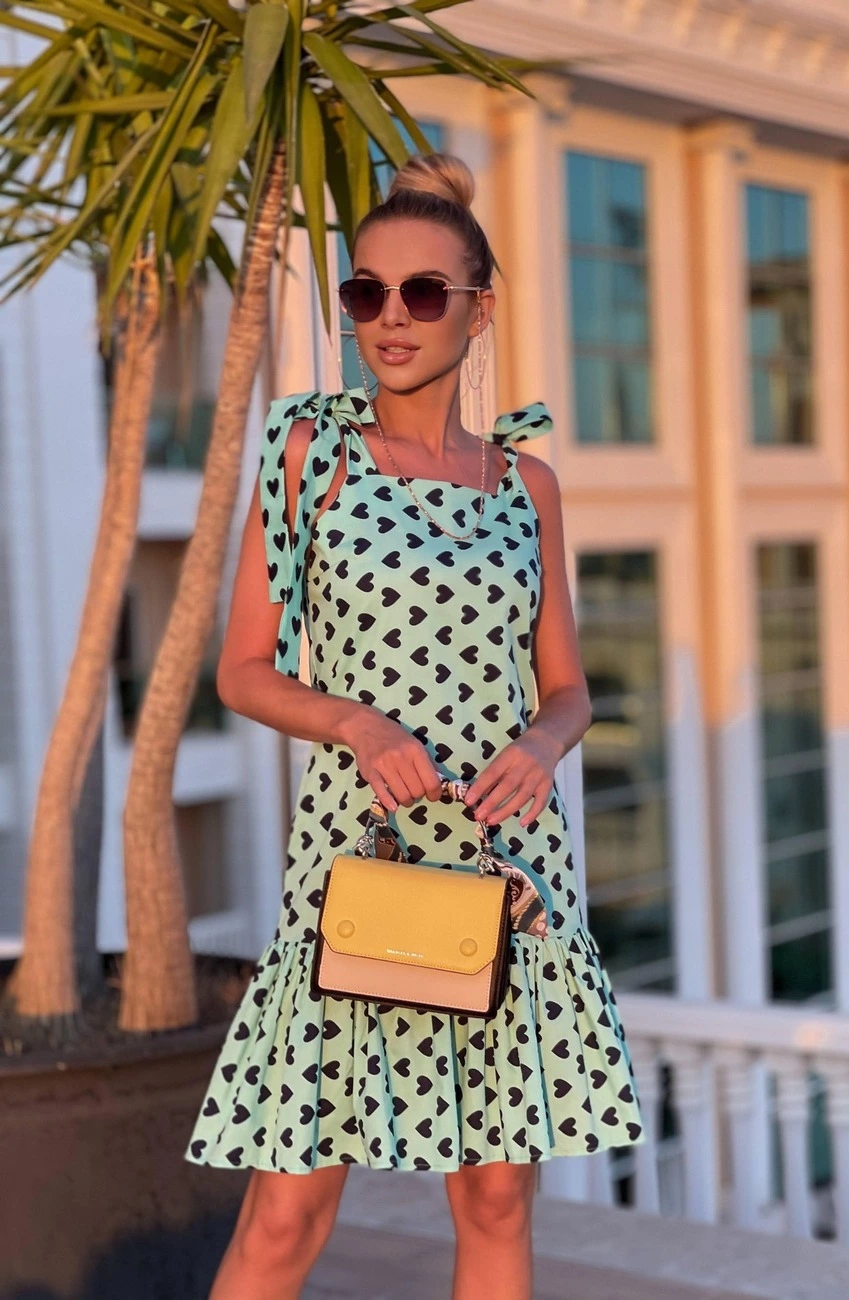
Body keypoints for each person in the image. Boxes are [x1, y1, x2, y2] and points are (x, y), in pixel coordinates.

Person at [184, 152, 647, 1300]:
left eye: (424, 292)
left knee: (495, 1198)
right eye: (367, 291)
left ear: (477, 311)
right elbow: (242, 670)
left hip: (506, 857)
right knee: (288, 1209)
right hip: (360, 848)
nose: (391, 317)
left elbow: (569, 687)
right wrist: (357, 723)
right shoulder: (310, 456)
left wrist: (541, 745)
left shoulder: (526, 485)